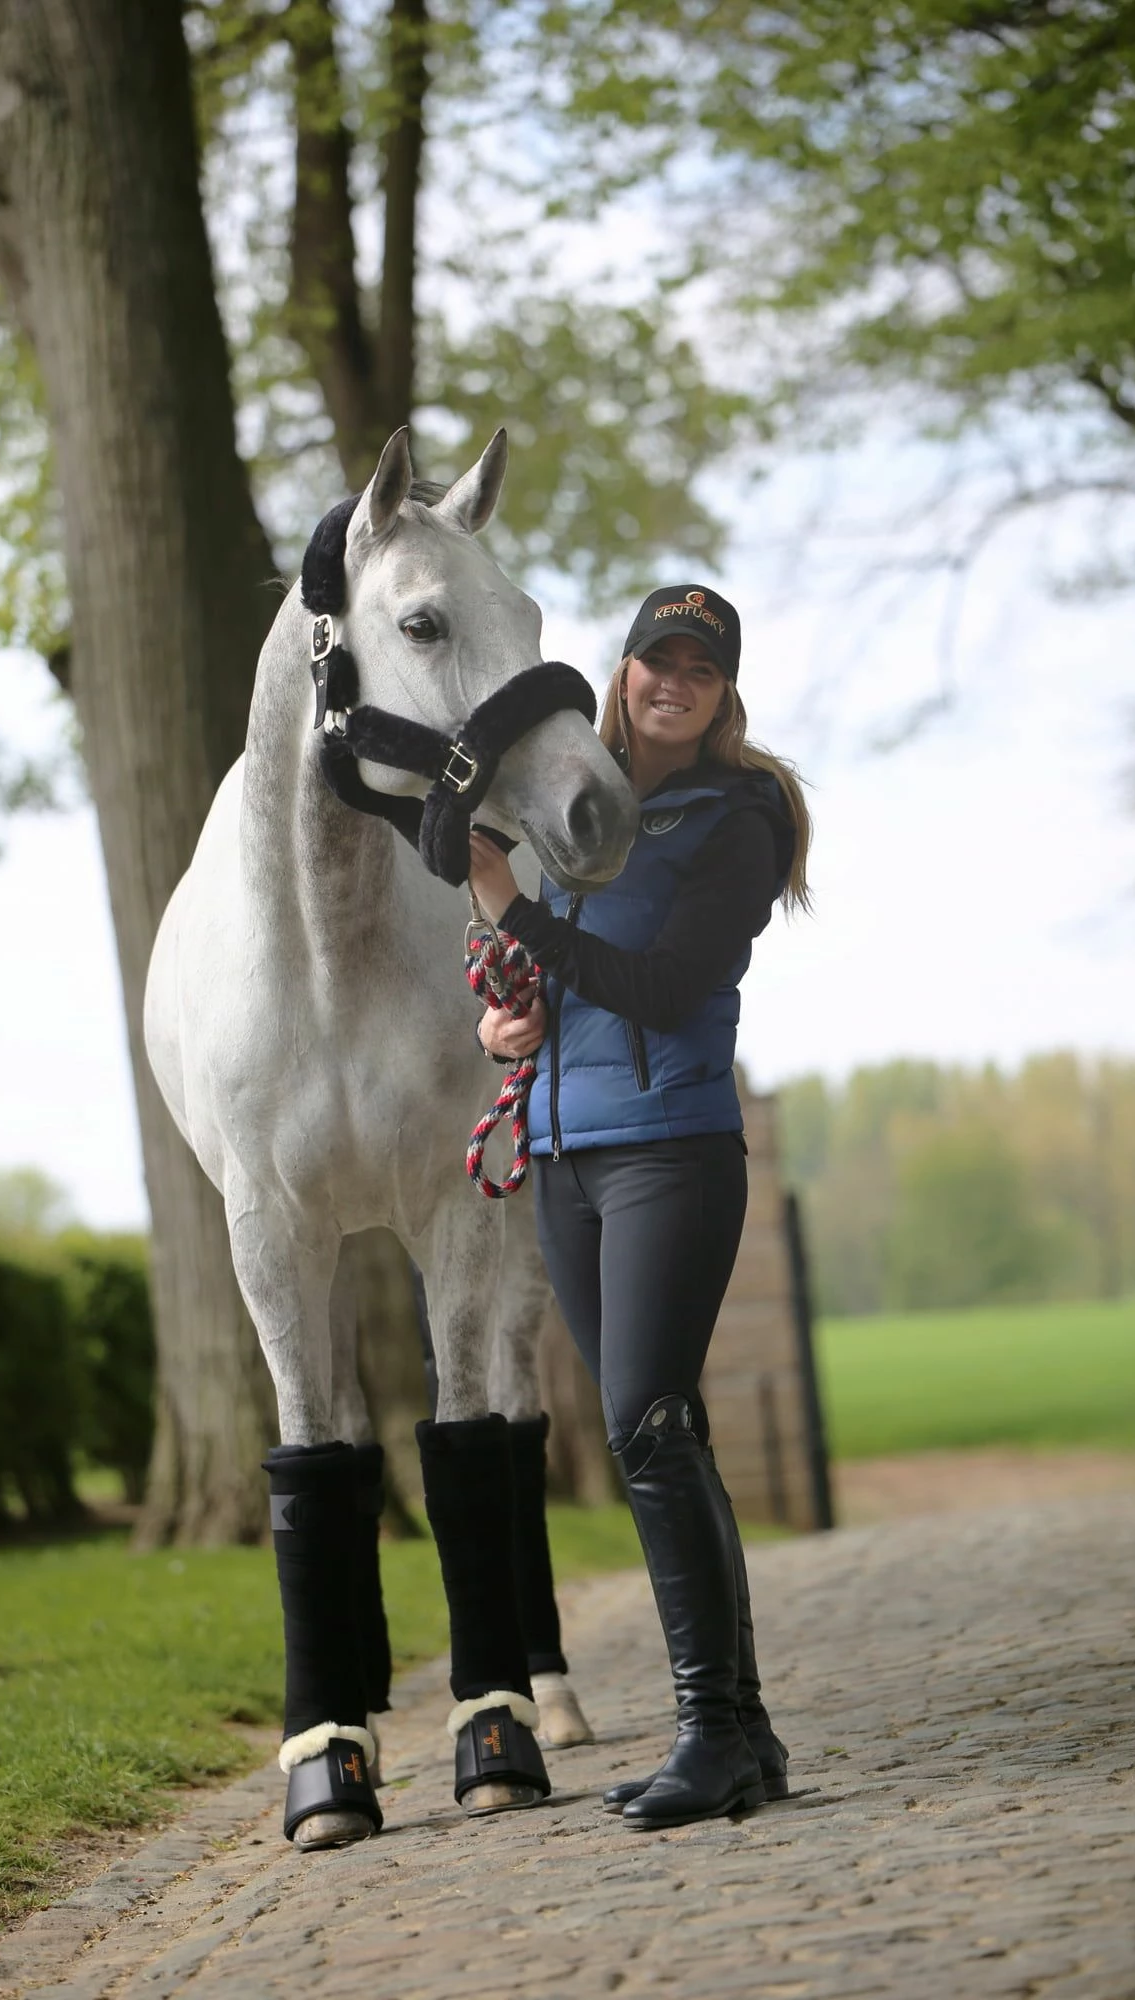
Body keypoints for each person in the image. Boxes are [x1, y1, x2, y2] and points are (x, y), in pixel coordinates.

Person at [467, 583, 812, 1830]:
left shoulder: (740, 814)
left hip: (671, 1149)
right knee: (661, 1437)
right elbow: (552, 974)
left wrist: (509, 904)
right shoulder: (575, 798)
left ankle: (708, 1731)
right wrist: (506, 1015)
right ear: (621, 671)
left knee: (648, 1425)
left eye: (699, 668)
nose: (673, 681)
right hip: (563, 1150)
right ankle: (744, 1732)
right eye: (655, 659)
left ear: (723, 694)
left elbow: (665, 987)